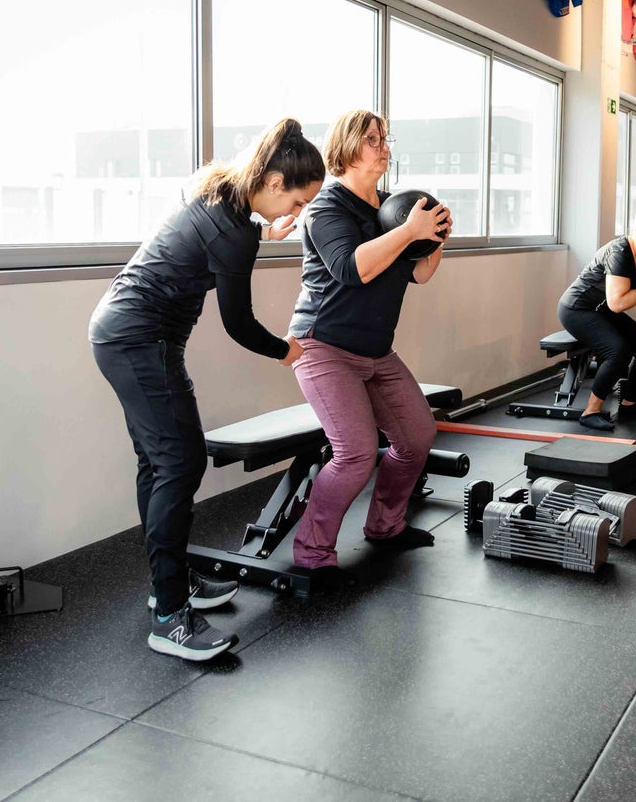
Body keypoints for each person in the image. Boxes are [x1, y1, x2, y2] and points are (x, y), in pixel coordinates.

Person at [88, 118, 324, 661]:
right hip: (138, 338)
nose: (297, 213)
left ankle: (166, 589)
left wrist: (267, 231)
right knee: (180, 463)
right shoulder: (235, 230)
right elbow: (238, 323)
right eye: (296, 201)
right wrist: (285, 349)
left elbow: (219, 244)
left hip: (128, 334)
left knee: (160, 462)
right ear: (271, 182)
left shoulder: (221, 195)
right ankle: (171, 616)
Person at [287, 109, 452, 585]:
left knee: (417, 436)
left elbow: (418, 273)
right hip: (323, 347)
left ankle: (385, 525)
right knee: (356, 452)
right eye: (372, 138)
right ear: (344, 146)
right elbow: (351, 268)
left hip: (376, 350)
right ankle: (312, 551)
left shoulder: (391, 206)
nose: (384, 146)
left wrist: (436, 238)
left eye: (385, 138)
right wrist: (408, 233)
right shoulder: (325, 207)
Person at [557, 205, 636, 432]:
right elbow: (618, 303)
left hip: (603, 310)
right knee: (618, 351)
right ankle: (591, 411)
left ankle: (630, 402)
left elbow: (627, 300)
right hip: (577, 309)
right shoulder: (620, 253)